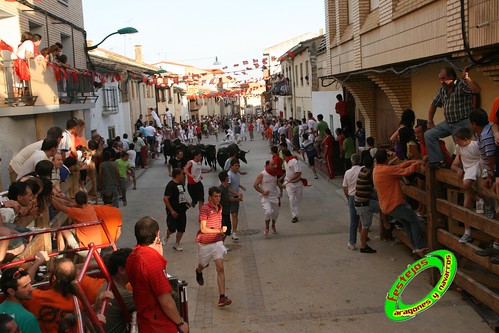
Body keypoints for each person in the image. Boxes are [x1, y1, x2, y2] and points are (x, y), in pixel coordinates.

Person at [126, 217, 189, 333]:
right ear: (157, 234)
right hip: (159, 324)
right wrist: (180, 323)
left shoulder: (132, 257)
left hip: (145, 320)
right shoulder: (152, 261)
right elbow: (166, 301)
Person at [425, 66, 481, 167]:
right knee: (429, 134)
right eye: (440, 79)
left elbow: (476, 91)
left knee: (462, 148)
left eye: (443, 78)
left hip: (462, 122)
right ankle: (438, 161)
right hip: (448, 123)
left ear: (451, 76)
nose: (441, 81)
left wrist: (467, 78)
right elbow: (433, 104)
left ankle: (466, 170)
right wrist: (430, 121)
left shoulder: (461, 84)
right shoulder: (443, 90)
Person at [373, 149, 427, 253]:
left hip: (387, 206)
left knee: (407, 223)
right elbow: (405, 171)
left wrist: (411, 162)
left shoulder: (378, 169)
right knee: (414, 219)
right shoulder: (386, 170)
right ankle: (419, 245)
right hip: (394, 204)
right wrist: (417, 164)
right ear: (386, 159)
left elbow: (396, 167)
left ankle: (414, 245)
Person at [194, 187, 232, 307]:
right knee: (203, 264)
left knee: (220, 268)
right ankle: (198, 271)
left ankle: (222, 297)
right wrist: (219, 230)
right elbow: (203, 229)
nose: (218, 199)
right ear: (210, 197)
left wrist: (219, 233)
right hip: (205, 244)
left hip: (217, 243)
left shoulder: (220, 208)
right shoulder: (205, 209)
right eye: (215, 196)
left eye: (219, 196)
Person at [0, 253, 49, 333]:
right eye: (25, 287)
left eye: (30, 283)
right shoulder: (28, 319)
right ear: (11, 291)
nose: (31, 289)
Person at [450, 127, 482, 243]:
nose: (456, 142)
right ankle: (467, 232)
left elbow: (484, 157)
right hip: (468, 174)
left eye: (458, 140)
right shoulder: (459, 149)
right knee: (466, 204)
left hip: (478, 173)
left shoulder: (475, 145)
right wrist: (457, 170)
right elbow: (454, 164)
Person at [50, 191, 104, 256]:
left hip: (88, 250)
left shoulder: (76, 211)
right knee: (71, 229)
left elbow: (58, 206)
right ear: (86, 200)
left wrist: (48, 198)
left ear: (76, 201)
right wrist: (52, 197)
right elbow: (67, 203)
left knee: (61, 230)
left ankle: (60, 258)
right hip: (98, 248)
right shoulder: (90, 208)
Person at [99, 248, 136, 333]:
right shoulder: (121, 294)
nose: (137, 268)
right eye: (133, 265)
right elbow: (152, 302)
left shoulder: (107, 285)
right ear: (121, 270)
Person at [354, 152, 379, 253]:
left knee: (362, 221)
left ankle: (364, 239)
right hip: (364, 204)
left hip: (359, 201)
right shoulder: (370, 173)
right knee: (366, 225)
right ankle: (363, 246)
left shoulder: (362, 170)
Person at [163, 168, 189, 251]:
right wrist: (171, 210)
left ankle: (177, 243)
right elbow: (165, 198)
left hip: (182, 209)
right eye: (182, 174)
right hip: (174, 210)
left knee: (181, 228)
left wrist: (186, 202)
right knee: (172, 228)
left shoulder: (180, 184)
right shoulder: (170, 185)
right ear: (177, 175)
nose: (183, 176)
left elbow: (181, 195)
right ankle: (166, 236)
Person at [254, 160, 280, 236]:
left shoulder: (275, 173)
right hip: (265, 197)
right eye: (272, 165)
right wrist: (263, 192)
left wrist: (282, 185)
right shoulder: (262, 174)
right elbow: (255, 185)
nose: (274, 166)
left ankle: (273, 225)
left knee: (275, 213)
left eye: (274, 165)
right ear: (267, 165)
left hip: (274, 196)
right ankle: (267, 227)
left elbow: (277, 182)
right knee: (268, 212)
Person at [342, 154, 363, 250]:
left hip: (352, 197)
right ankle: (364, 238)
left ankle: (352, 242)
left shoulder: (347, 172)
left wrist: (348, 198)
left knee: (354, 220)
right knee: (364, 219)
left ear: (352, 162)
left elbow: (345, 187)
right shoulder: (363, 169)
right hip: (363, 196)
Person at [282, 148, 303, 223]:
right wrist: (283, 179)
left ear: (284, 155)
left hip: (297, 183)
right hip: (290, 184)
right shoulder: (285, 162)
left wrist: (291, 179)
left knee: (298, 199)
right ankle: (294, 216)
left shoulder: (294, 161)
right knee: (292, 200)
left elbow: (298, 173)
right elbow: (287, 172)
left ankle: (295, 211)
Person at [227, 159, 246, 240]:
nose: (237, 167)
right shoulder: (229, 175)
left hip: (235, 198)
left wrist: (241, 186)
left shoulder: (238, 174)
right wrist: (237, 193)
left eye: (238, 166)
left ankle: (234, 232)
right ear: (231, 166)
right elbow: (228, 187)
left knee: (234, 214)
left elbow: (236, 183)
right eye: (235, 165)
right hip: (228, 197)